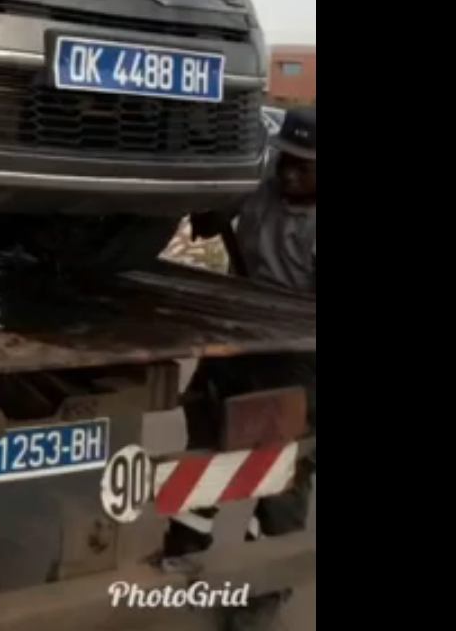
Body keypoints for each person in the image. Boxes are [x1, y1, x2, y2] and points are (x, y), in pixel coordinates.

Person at [187, 106, 315, 631]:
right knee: (203, 433)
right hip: (245, 337)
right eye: (287, 158)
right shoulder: (264, 183)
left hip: (303, 357)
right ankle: (185, 549)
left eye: (305, 166)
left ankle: (262, 591)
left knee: (282, 473)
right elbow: (212, 215)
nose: (290, 171)